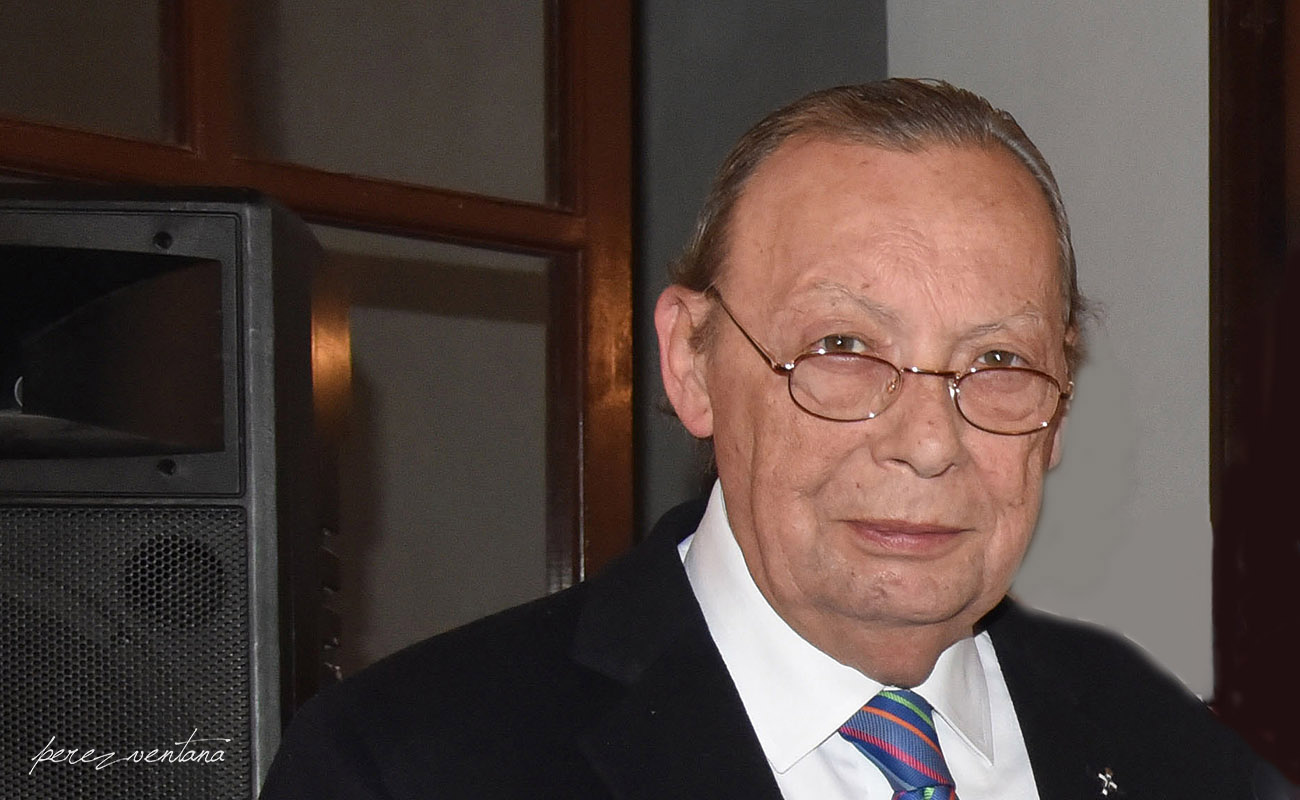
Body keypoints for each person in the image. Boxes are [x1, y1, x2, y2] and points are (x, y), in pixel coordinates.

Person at [260, 79, 1293, 799]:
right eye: (842, 347)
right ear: (692, 361)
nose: (928, 442)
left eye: (996, 360)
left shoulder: (1177, 758)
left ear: (1057, 403)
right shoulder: (409, 767)